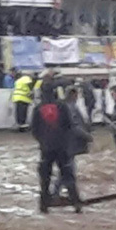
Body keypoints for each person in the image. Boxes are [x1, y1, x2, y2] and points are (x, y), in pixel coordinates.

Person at [31, 84, 82, 214]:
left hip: (46, 148)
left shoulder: (38, 108)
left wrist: (43, 141)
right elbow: (69, 125)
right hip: (62, 147)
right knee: (68, 175)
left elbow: (34, 130)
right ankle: (76, 203)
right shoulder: (62, 107)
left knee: (45, 178)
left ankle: (44, 205)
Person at [53, 86, 93, 196]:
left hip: (65, 142)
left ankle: (60, 193)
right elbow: (74, 126)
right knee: (68, 169)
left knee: (67, 169)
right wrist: (87, 136)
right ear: (73, 95)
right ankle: (62, 194)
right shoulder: (70, 108)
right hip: (69, 143)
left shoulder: (64, 106)